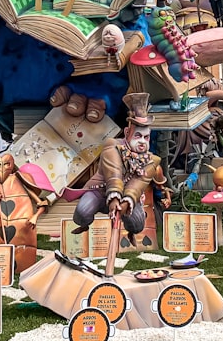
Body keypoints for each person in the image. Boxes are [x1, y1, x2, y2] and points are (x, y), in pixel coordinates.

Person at [72, 92, 170, 244]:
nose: (143, 142)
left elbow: (138, 183)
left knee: (137, 224)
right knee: (82, 212)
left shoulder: (151, 160)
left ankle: (131, 232)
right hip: (100, 191)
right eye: (138, 136)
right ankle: (84, 225)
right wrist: (114, 198)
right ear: (127, 133)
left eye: (146, 137)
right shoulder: (112, 146)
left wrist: (125, 203)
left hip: (127, 198)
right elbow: (114, 172)